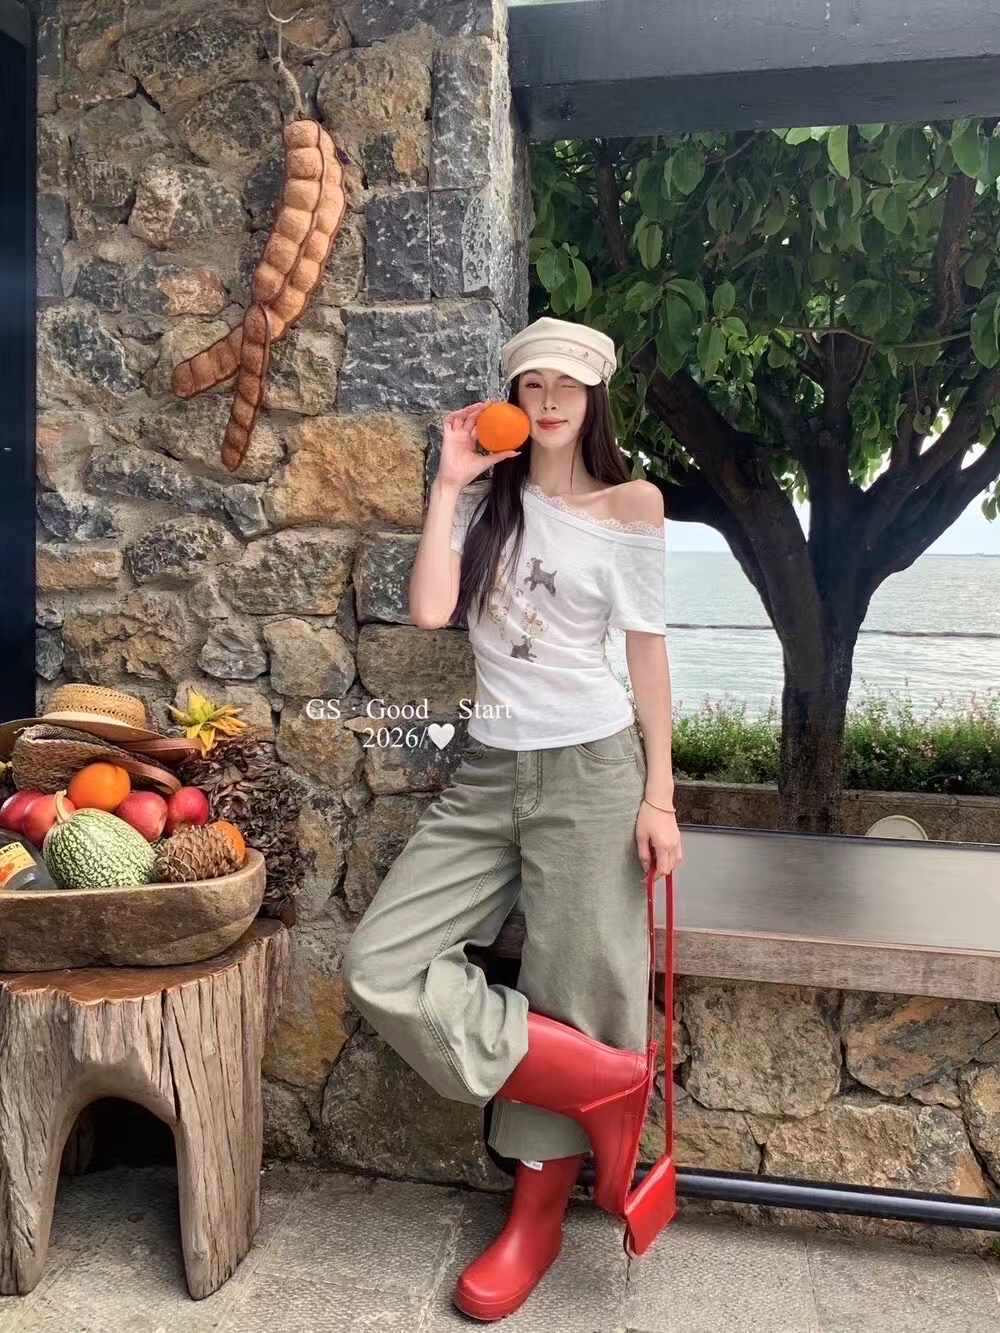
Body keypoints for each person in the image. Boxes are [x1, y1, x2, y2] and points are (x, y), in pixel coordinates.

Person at [342, 315, 682, 1322]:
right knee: (380, 963)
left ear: (595, 396)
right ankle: (603, 1080)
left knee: (575, 986)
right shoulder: (489, 502)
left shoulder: (632, 505)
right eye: (533, 383)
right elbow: (430, 611)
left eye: (567, 384)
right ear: (515, 397)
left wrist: (660, 794)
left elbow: (648, 655)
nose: (549, 400)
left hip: (593, 772)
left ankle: (534, 1219)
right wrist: (449, 482)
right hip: (489, 771)